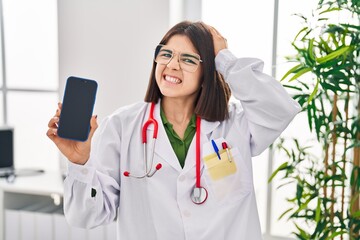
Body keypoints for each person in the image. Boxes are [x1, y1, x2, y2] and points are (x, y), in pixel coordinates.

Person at [47, 21, 300, 240]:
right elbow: (85, 217)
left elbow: (280, 109)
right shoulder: (123, 126)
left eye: (188, 59)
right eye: (165, 54)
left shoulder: (234, 124)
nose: (173, 65)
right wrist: (80, 164)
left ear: (208, 71)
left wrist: (224, 58)